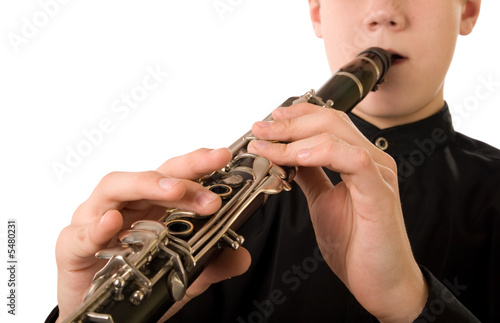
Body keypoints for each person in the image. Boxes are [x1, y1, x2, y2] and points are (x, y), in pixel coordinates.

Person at [47, 0, 499, 322]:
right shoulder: (237, 191)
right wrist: (84, 306)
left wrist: (410, 303)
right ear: (318, 10)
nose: (382, 10)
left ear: (469, 8)